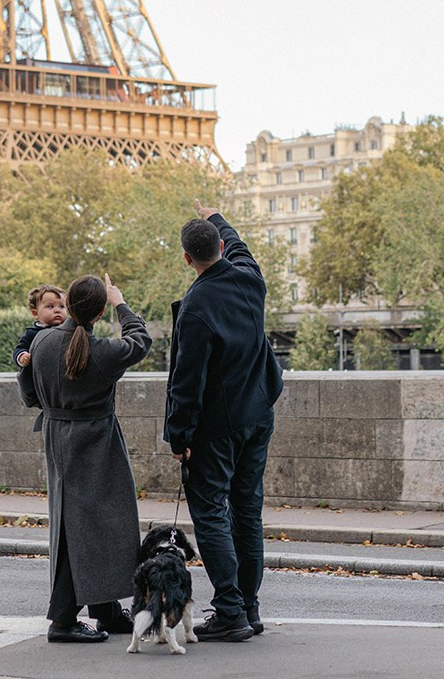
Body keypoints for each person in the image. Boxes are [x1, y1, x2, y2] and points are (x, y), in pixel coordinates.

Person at [164, 199, 283, 642]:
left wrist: (180, 435)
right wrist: (216, 215)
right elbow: (240, 245)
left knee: (211, 511)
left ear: (186, 258)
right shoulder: (251, 280)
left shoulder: (196, 307)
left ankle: (230, 609)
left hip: (217, 428)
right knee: (247, 512)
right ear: (220, 245)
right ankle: (249, 608)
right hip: (259, 413)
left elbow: (186, 383)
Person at [21, 273, 152, 644]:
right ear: (97, 312)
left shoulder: (43, 340)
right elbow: (141, 341)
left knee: (81, 527)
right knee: (96, 527)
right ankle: (62, 620)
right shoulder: (103, 352)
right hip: (97, 444)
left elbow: (29, 392)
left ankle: (105, 609)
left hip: (58, 437)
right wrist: (120, 302)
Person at [12, 284, 67, 369]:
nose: (57, 310)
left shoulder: (68, 331)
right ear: (35, 313)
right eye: (50, 306)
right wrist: (22, 356)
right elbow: (19, 349)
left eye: (62, 306)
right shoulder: (32, 333)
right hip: (38, 377)